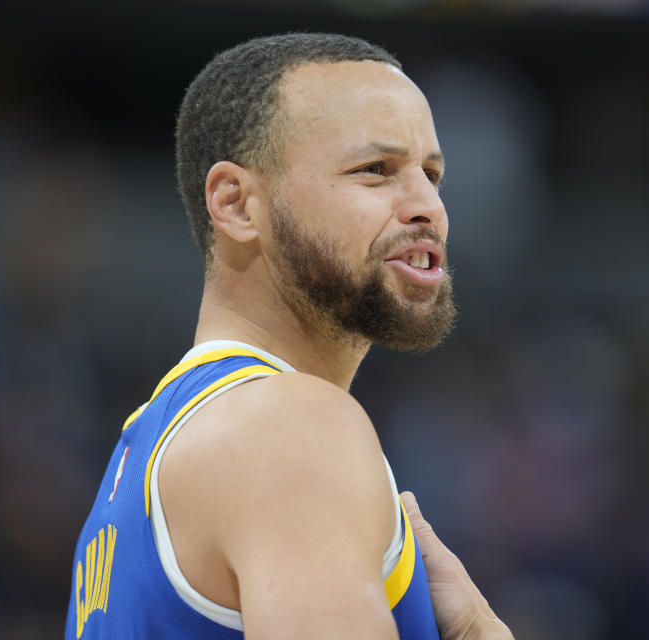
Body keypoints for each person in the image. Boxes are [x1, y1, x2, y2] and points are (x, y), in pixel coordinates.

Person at [65, 33, 513, 640]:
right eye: (375, 171)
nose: (428, 206)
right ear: (237, 204)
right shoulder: (286, 424)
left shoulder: (147, 454)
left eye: (431, 174)